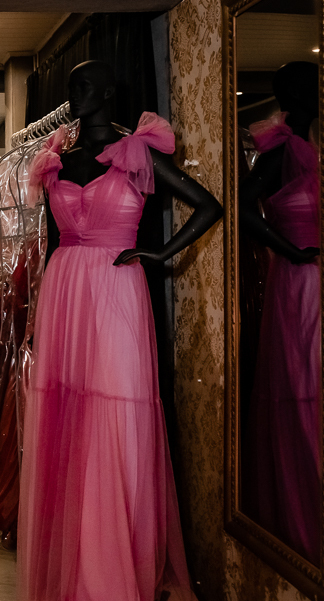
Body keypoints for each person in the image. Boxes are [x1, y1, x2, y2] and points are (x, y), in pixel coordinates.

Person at [18, 60, 222, 601]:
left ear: (109, 91)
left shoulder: (137, 154)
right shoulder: (56, 160)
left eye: (85, 85)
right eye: (72, 86)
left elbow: (208, 206)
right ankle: (73, 565)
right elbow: (50, 242)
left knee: (115, 410)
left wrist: (159, 253)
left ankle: (108, 570)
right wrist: (38, 316)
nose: (76, 94)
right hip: (64, 295)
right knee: (68, 417)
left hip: (117, 289)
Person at [240, 61, 320, 562]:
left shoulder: (311, 149)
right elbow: (243, 207)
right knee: (303, 387)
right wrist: (288, 250)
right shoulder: (281, 149)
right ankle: (302, 511)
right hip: (301, 279)